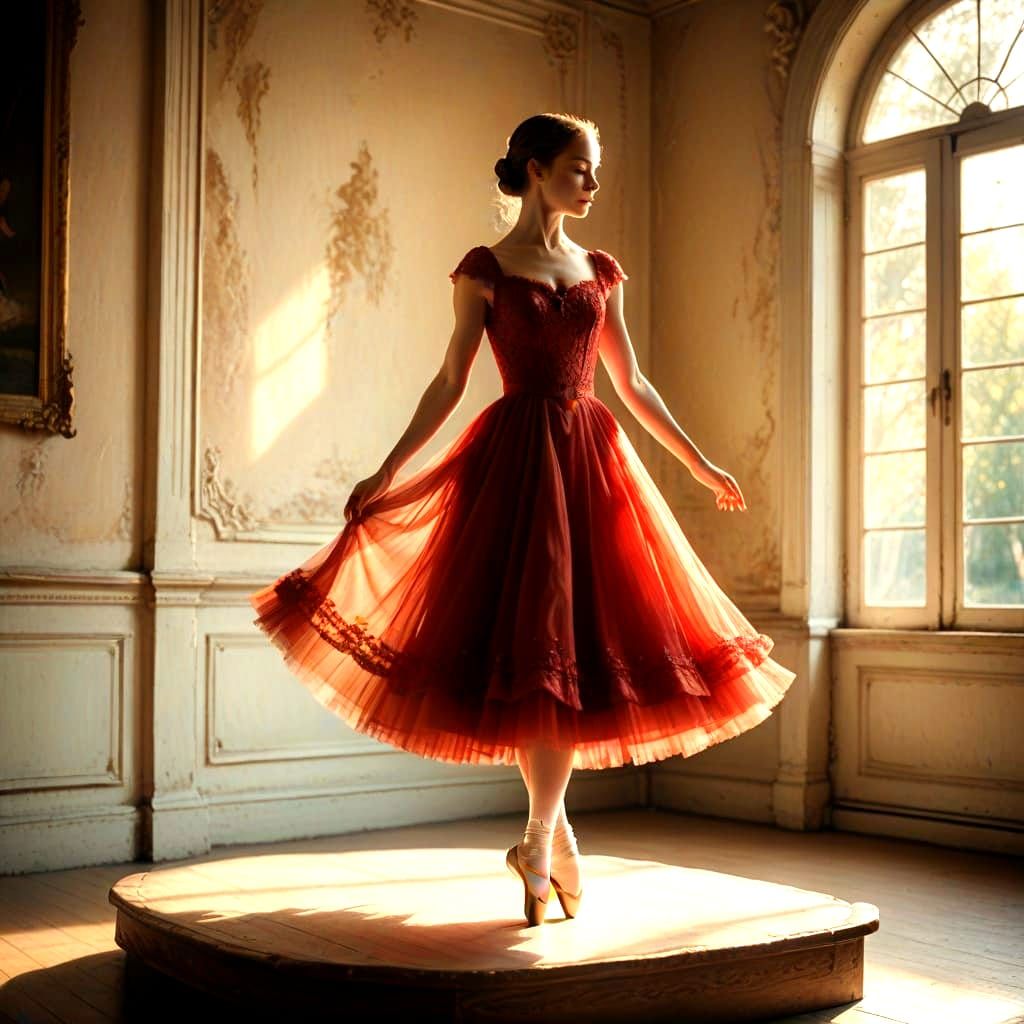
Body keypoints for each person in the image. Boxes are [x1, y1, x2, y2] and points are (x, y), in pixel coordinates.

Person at [249, 112, 797, 928]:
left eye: (596, 169)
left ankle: (541, 842)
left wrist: (698, 462)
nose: (594, 182)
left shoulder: (600, 271)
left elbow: (634, 386)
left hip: (588, 466)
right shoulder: (485, 271)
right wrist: (388, 468)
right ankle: (547, 841)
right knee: (535, 661)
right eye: (581, 167)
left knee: (567, 658)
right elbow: (447, 381)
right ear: (537, 169)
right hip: (512, 466)